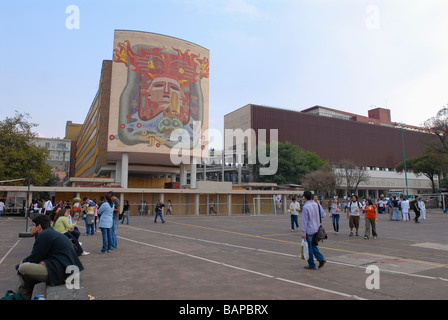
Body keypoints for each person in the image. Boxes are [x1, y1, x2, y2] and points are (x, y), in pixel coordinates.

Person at [14, 215, 84, 300]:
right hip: (68, 270)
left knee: (23, 268)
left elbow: (34, 258)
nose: (31, 228)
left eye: (32, 225)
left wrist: (20, 265)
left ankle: (19, 298)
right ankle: (20, 297)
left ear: (39, 227)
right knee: (26, 276)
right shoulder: (50, 233)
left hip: (64, 272)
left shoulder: (44, 235)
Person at [301, 191, 326, 270]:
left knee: (309, 247)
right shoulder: (317, 204)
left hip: (309, 229)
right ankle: (321, 258)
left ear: (305, 197)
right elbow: (323, 215)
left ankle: (312, 264)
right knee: (313, 245)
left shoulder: (306, 207)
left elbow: (305, 221)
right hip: (317, 228)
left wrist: (303, 233)